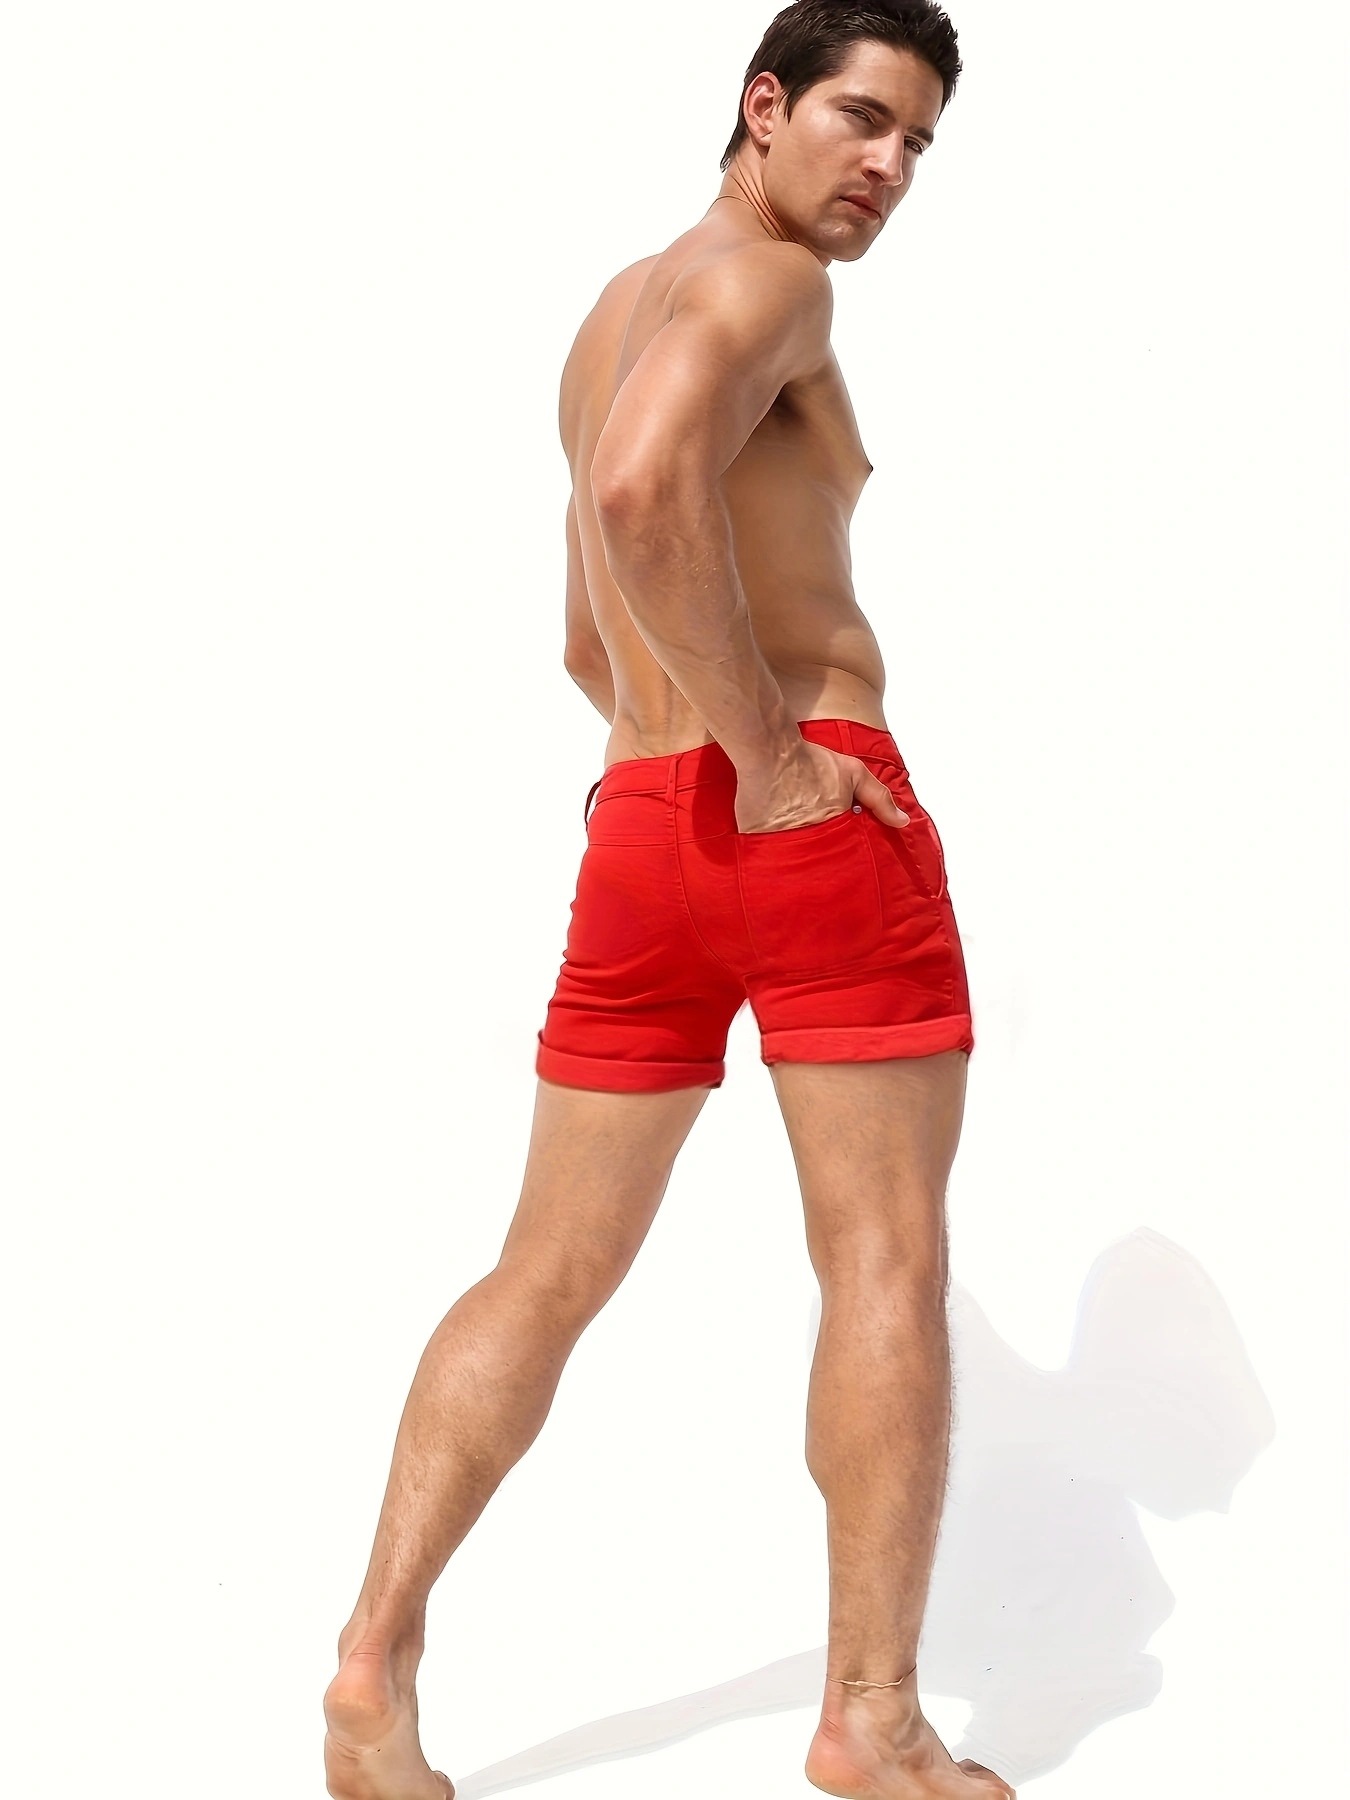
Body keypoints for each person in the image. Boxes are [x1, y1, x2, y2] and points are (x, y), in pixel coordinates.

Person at [323, 4, 1013, 1795]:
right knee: (882, 1255)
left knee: (547, 1266)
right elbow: (642, 495)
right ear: (760, 105)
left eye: (918, 144)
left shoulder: (609, 314)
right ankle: (871, 1722)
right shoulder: (773, 286)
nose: (888, 166)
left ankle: (371, 1668)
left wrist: (684, 754)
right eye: (861, 118)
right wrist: (774, 757)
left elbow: (585, 624)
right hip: (807, 813)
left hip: (638, 818)